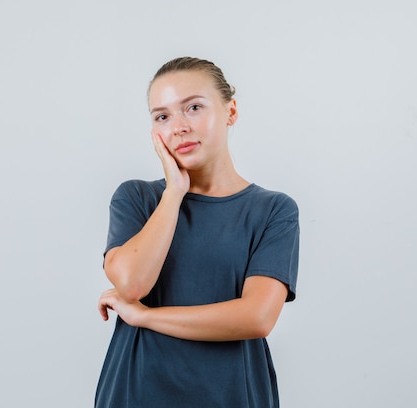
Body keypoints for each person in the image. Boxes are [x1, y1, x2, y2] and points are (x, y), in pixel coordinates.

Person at [95, 56, 300, 408]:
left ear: (230, 111)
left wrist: (145, 316)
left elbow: (257, 317)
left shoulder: (273, 210)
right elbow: (132, 284)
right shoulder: (137, 199)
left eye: (193, 108)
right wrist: (174, 192)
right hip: (136, 392)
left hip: (231, 394)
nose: (178, 127)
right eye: (163, 116)